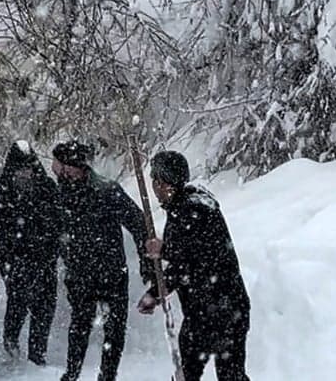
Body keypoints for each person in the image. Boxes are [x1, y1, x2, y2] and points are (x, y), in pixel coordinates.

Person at [137, 151, 251, 381]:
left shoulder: (191, 209)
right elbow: (188, 258)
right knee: (206, 373)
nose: (154, 187)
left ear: (165, 181)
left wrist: (155, 289)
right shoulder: (190, 203)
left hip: (219, 309)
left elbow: (190, 261)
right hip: (213, 308)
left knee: (218, 375)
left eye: (155, 180)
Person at [53, 140, 152, 381]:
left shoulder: (107, 191)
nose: (59, 170)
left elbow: (138, 223)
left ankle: (107, 375)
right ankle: (72, 374)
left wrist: (146, 261)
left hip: (111, 271)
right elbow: (51, 232)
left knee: (114, 330)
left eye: (63, 166)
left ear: (77, 167)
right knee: (79, 327)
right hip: (79, 273)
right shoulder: (59, 194)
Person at [0, 141, 60, 366]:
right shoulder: (2, 191)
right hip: (16, 262)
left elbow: (58, 224)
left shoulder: (47, 189)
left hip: (44, 260)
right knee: (16, 308)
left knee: (44, 311)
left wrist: (50, 250)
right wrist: (5, 258)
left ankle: (37, 358)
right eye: (19, 170)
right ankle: (12, 352)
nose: (24, 174)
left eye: (27, 169)